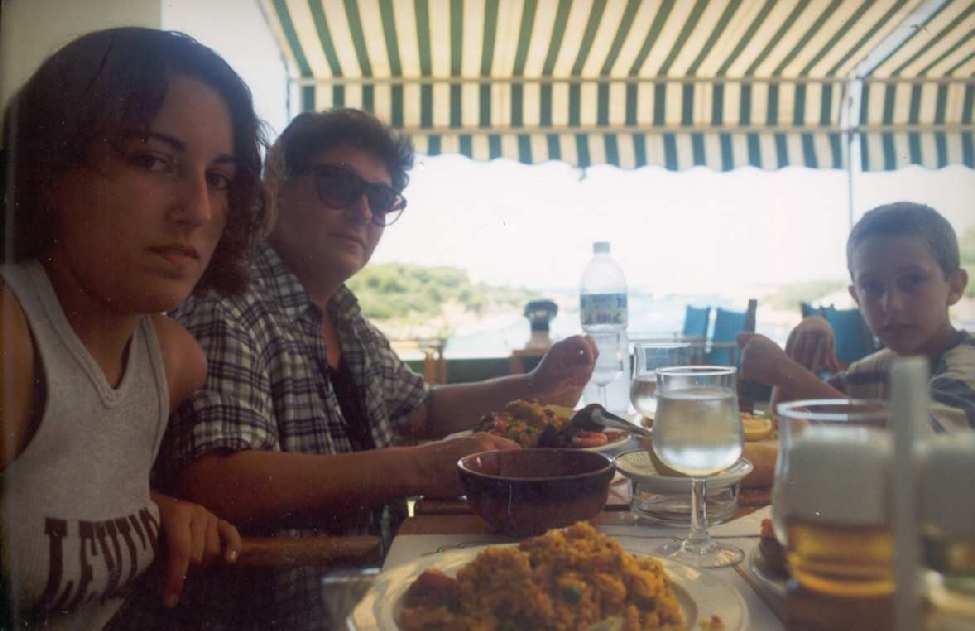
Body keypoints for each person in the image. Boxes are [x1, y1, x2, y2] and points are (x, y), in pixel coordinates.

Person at [150, 108, 598, 629]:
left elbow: (422, 410)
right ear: (275, 188)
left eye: (382, 199)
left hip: (378, 588)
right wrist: (419, 467)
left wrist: (535, 383)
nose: (364, 210)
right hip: (293, 614)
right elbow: (218, 480)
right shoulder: (226, 305)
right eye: (338, 185)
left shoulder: (342, 314)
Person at [0, 27, 266, 628]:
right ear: (49, 169)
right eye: (151, 159)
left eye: (219, 178)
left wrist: (155, 508)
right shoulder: (12, 340)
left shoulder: (172, 361)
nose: (197, 210)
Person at [738, 202, 973, 432]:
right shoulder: (873, 371)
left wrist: (786, 372)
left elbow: (921, 445)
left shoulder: (967, 365)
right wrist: (804, 341)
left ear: (954, 286)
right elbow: (784, 423)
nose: (892, 304)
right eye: (871, 286)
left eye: (912, 281)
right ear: (856, 297)